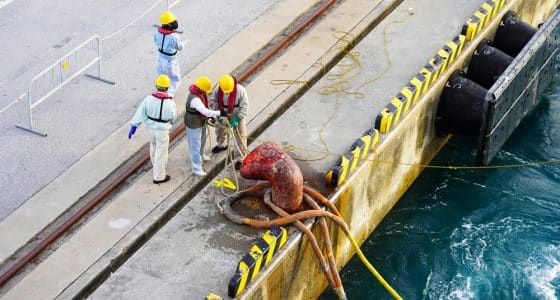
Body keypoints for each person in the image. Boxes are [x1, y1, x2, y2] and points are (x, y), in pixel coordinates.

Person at [128, 75, 178, 184]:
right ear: (167, 88)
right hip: (162, 131)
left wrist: (134, 126)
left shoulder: (148, 99)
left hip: (150, 129)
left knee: (153, 146)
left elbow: (140, 113)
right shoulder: (171, 103)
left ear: (156, 86)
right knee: (161, 152)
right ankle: (159, 177)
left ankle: (156, 166)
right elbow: (173, 117)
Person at [185, 76, 226, 176]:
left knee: (203, 138)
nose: (207, 92)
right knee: (195, 145)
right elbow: (204, 111)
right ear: (201, 88)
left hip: (200, 121)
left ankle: (201, 154)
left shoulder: (199, 94)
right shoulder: (195, 99)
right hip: (194, 123)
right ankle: (196, 167)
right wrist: (219, 113)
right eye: (205, 90)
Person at [210, 74, 249, 157]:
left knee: (240, 135)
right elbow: (214, 102)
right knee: (219, 130)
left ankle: (240, 157)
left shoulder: (240, 90)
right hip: (223, 113)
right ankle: (222, 145)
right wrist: (218, 114)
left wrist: (238, 119)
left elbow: (245, 106)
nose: (227, 92)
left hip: (237, 114)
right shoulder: (218, 89)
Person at [154, 11, 185, 97]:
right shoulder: (174, 37)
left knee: (162, 78)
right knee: (175, 79)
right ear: (169, 24)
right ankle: (168, 96)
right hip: (170, 61)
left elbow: (155, 41)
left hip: (159, 59)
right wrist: (184, 43)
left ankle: (160, 93)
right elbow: (180, 47)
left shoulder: (157, 32)